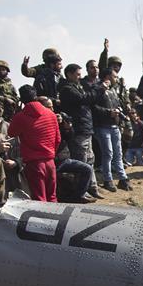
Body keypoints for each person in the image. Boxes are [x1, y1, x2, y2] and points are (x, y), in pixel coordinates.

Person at [8, 85, 61, 202]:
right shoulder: (50, 114)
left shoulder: (20, 116)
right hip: (50, 160)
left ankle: (41, 221)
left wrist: (17, 112)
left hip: (34, 163)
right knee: (52, 196)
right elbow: (58, 139)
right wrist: (51, 153)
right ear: (36, 96)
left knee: (39, 198)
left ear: (21, 100)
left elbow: (11, 132)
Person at [58, 63, 102, 198]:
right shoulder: (67, 89)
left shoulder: (78, 87)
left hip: (86, 128)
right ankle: (81, 191)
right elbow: (84, 99)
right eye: (77, 74)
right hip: (78, 129)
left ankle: (92, 187)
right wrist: (99, 89)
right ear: (69, 74)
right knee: (81, 161)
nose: (80, 77)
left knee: (90, 158)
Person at [93, 70, 132, 192]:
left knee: (118, 153)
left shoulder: (114, 90)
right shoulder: (97, 89)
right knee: (108, 153)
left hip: (114, 126)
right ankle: (107, 180)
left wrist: (119, 111)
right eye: (115, 76)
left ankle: (122, 178)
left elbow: (118, 103)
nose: (117, 78)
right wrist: (108, 112)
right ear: (108, 76)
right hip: (103, 126)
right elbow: (94, 107)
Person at [54, 114, 96, 204]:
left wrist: (67, 128)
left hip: (64, 159)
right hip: (52, 161)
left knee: (87, 169)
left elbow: (69, 138)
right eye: (49, 106)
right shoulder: (44, 123)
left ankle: (78, 196)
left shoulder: (58, 121)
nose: (52, 109)